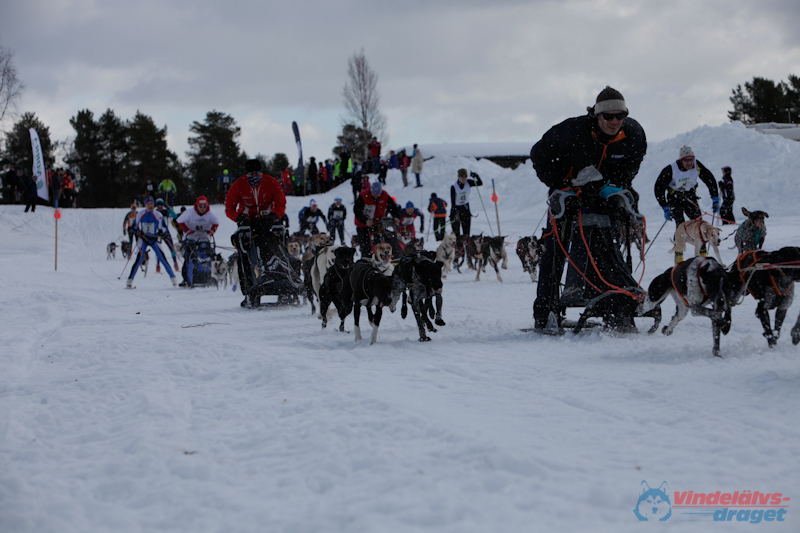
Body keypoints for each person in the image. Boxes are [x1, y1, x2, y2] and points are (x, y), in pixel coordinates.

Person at [530, 86, 647, 330]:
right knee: (556, 246)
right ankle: (546, 311)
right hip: (568, 190)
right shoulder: (570, 131)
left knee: (607, 244)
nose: (615, 121)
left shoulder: (633, 134)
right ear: (596, 116)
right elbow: (538, 154)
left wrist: (618, 187)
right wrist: (560, 185)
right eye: (608, 116)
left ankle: (613, 303)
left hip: (602, 190)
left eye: (620, 116)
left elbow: (631, 165)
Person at [225, 159, 289, 306]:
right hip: (248, 224)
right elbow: (229, 208)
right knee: (244, 257)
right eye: (251, 174)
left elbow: (281, 204)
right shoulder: (238, 185)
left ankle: (286, 285)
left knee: (281, 249)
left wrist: (274, 216)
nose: (255, 176)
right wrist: (239, 218)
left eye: (257, 173)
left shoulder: (272, 183)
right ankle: (249, 292)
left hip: (268, 223)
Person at [126, 196, 178, 288]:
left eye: (152, 204)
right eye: (148, 204)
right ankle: (130, 281)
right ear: (145, 205)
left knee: (162, 259)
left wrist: (164, 233)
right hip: (144, 239)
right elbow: (134, 227)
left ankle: (174, 279)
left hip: (154, 239)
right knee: (139, 260)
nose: (150, 206)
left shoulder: (158, 214)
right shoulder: (140, 214)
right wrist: (137, 231)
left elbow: (164, 227)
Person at [177, 195, 220, 287]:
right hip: (191, 239)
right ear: (197, 205)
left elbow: (216, 223)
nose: (202, 209)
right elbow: (180, 221)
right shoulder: (189, 213)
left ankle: (209, 276)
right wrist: (187, 231)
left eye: (204, 206)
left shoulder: (211, 214)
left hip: (205, 238)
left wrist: (212, 232)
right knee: (189, 258)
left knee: (208, 257)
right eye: (200, 206)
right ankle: (187, 278)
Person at [354, 181, 401, 258]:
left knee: (382, 239)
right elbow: (357, 210)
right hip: (363, 224)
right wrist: (365, 220)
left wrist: (396, 216)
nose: (376, 196)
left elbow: (392, 207)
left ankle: (383, 256)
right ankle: (366, 259)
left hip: (378, 222)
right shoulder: (363, 195)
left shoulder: (384, 195)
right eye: (374, 194)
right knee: (365, 244)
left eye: (378, 194)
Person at [449, 169, 483, 238]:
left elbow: (480, 183)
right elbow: (453, 202)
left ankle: (467, 247)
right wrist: (455, 214)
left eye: (465, 177)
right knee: (457, 235)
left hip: (466, 209)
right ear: (459, 177)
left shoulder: (469, 183)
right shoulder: (454, 187)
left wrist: (476, 176)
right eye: (462, 177)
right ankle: (458, 248)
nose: (464, 179)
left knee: (466, 234)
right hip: (456, 210)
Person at [154, 198, 181, 272]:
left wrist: (168, 208)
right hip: (157, 233)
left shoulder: (165, 212)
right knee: (158, 249)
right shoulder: (154, 212)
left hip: (165, 232)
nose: (160, 207)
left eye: (161, 205)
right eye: (158, 206)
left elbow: (175, 216)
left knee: (171, 247)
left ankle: (175, 263)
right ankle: (158, 265)